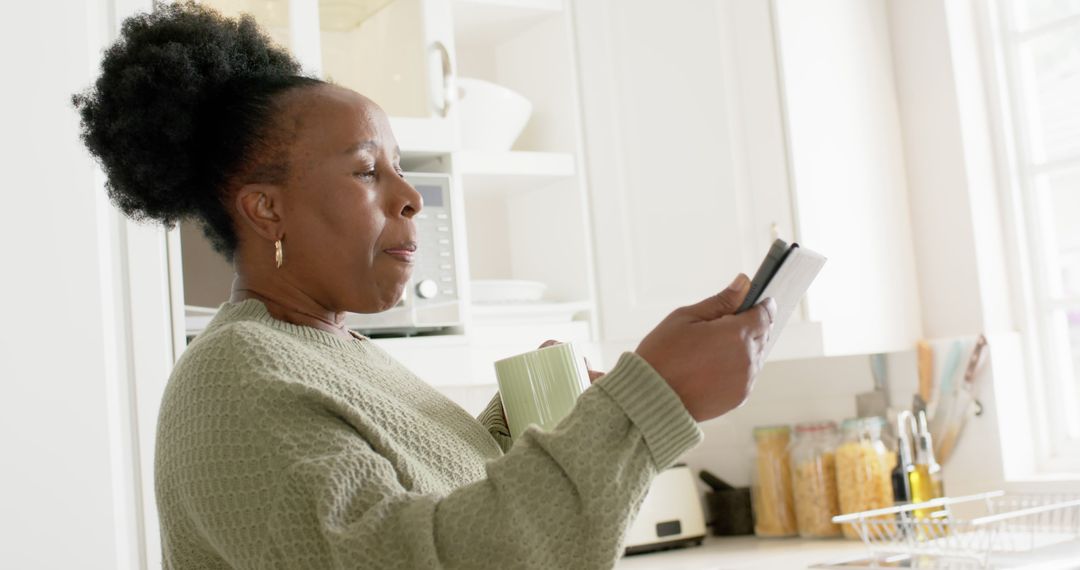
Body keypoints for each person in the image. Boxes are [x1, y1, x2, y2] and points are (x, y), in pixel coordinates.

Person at [73, 3, 775, 568]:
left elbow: (425, 511)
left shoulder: (329, 349)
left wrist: (522, 428)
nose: (410, 196)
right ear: (266, 208)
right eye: (366, 169)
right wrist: (648, 400)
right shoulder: (235, 382)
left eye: (401, 168)